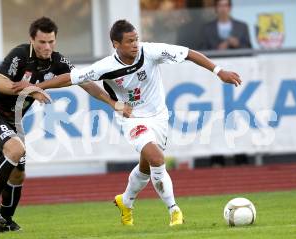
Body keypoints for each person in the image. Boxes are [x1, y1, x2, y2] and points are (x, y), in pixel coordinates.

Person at [13, 19, 242, 226]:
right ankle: (174, 210)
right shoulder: (105, 67)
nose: (135, 45)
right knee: (156, 158)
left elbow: (189, 53)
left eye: (136, 39)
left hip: (159, 117)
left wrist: (219, 71)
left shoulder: (150, 51)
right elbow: (70, 79)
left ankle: (126, 200)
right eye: (130, 41)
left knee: (146, 165)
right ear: (116, 44)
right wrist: (36, 87)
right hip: (131, 118)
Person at [0, 17, 130, 233]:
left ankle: (5, 221)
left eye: (51, 42)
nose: (47, 47)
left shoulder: (57, 61)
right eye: (42, 42)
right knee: (16, 149)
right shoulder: (20, 55)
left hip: (12, 121)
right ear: (32, 40)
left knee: (18, 173)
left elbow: (85, 83)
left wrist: (114, 104)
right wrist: (31, 89)